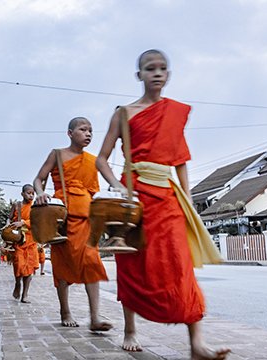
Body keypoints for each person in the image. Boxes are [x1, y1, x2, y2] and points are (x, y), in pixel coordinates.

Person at [95, 49, 230, 359]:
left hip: (167, 198)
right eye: (149, 68)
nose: (156, 73)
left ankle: (196, 343)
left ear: (168, 75)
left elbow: (181, 161)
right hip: (134, 196)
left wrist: (189, 202)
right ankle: (130, 328)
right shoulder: (124, 114)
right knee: (132, 264)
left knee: (180, 265)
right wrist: (118, 186)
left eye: (162, 68)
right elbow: (102, 159)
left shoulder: (174, 113)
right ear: (139, 75)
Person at [33, 117, 112, 331]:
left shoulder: (93, 160)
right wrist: (40, 194)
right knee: (63, 266)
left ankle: (94, 317)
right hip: (62, 218)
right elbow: (38, 179)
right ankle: (65, 310)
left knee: (92, 263)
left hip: (86, 217)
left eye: (91, 131)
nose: (88, 134)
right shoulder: (57, 155)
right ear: (70, 133)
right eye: (82, 129)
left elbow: (92, 191)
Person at [7, 184, 40, 303]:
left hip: (31, 241)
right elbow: (9, 219)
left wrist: (24, 223)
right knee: (19, 266)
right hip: (19, 241)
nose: (31, 195)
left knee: (29, 269)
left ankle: (25, 295)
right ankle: (17, 283)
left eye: (33, 193)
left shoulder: (36, 206)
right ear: (22, 194)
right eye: (28, 193)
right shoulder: (17, 205)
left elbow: (37, 221)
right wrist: (12, 218)